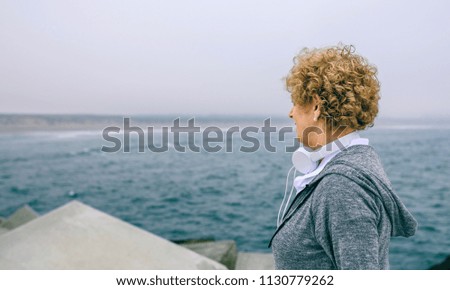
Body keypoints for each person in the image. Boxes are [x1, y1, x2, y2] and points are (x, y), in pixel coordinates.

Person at [269, 44, 417, 270]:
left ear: (316, 105)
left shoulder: (341, 185)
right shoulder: (356, 161)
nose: (291, 113)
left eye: (297, 101)